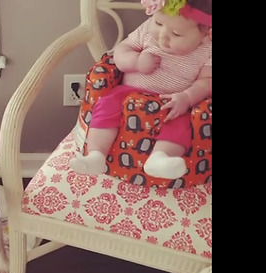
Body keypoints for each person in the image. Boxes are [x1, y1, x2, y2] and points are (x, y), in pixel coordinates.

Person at [70, 0, 212, 180]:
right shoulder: (146, 31)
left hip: (170, 102)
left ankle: (160, 159)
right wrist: (135, 61)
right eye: (158, 23)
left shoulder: (207, 49)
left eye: (176, 34)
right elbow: (121, 51)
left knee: (182, 125)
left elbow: (207, 81)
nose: (162, 36)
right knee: (105, 106)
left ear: (205, 33)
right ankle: (96, 155)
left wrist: (186, 97)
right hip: (127, 93)